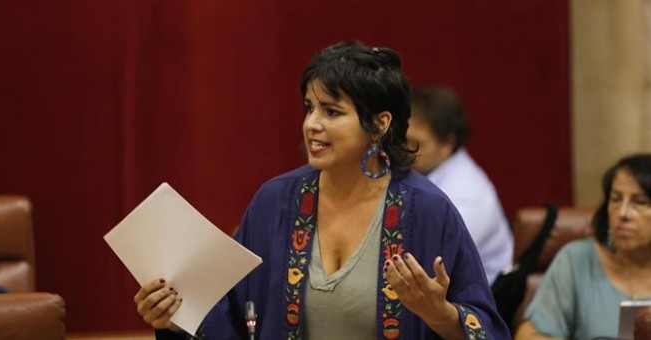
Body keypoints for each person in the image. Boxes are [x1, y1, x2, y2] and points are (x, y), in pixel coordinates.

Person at [134, 41, 509, 339]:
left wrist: (440, 316)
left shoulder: (428, 210)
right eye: (309, 108)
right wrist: (174, 317)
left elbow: (487, 328)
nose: (312, 124)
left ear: (379, 124)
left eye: (331, 112)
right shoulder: (275, 202)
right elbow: (228, 316)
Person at [515, 154, 651, 339]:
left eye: (640, 202)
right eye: (616, 199)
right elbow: (530, 335)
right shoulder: (576, 260)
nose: (623, 213)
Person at [406, 86, 513, 285]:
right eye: (402, 140)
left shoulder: (467, 196)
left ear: (447, 143)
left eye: (416, 143)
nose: (405, 150)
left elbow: (431, 267)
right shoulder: (423, 175)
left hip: (473, 306)